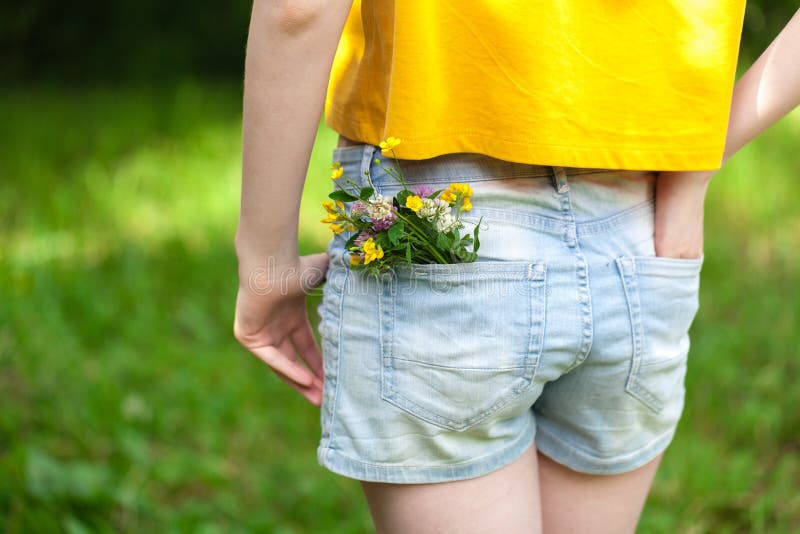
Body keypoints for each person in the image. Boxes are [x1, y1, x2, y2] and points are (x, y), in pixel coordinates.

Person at [233, 2, 800, 532]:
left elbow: (299, 11)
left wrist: (265, 259)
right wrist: (700, 157)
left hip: (436, 209)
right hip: (641, 226)